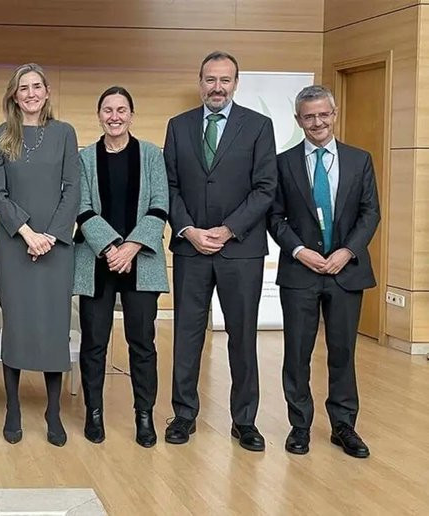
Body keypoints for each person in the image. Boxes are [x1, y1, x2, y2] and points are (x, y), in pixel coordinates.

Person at [163, 50, 277, 451]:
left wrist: (228, 230)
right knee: (187, 335)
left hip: (240, 250)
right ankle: (183, 415)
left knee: (242, 337)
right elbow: (169, 186)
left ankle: (244, 421)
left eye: (224, 80)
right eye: (210, 79)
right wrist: (189, 229)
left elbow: (265, 188)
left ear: (236, 84)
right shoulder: (178, 126)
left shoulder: (259, 126)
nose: (217, 87)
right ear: (200, 83)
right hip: (191, 248)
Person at [268, 85, 379, 458]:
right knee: (297, 352)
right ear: (298, 120)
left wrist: (347, 251)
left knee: (342, 351)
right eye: (309, 116)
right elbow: (275, 216)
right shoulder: (282, 163)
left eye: (323, 114)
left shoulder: (359, 160)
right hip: (300, 272)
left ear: (334, 114)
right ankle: (299, 426)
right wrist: (300, 252)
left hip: (346, 272)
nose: (317, 122)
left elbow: (370, 213)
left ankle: (344, 425)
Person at [0, 63, 80, 447]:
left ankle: (52, 411)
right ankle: (13, 409)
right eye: (23, 87)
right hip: (14, 245)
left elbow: (72, 189)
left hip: (56, 248)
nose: (30, 93)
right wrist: (27, 233)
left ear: (46, 92)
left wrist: (51, 237)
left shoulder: (64, 133)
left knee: (53, 328)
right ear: (14, 94)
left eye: (36, 86)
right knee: (18, 326)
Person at [72, 86, 169, 447]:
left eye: (121, 110)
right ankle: (93, 413)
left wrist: (130, 247)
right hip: (96, 261)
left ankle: (144, 416)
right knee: (94, 343)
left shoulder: (151, 155)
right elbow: (81, 208)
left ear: (131, 115)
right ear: (99, 115)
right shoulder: (84, 158)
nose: (115, 116)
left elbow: (160, 205)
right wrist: (111, 247)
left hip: (141, 261)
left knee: (142, 343)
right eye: (108, 110)